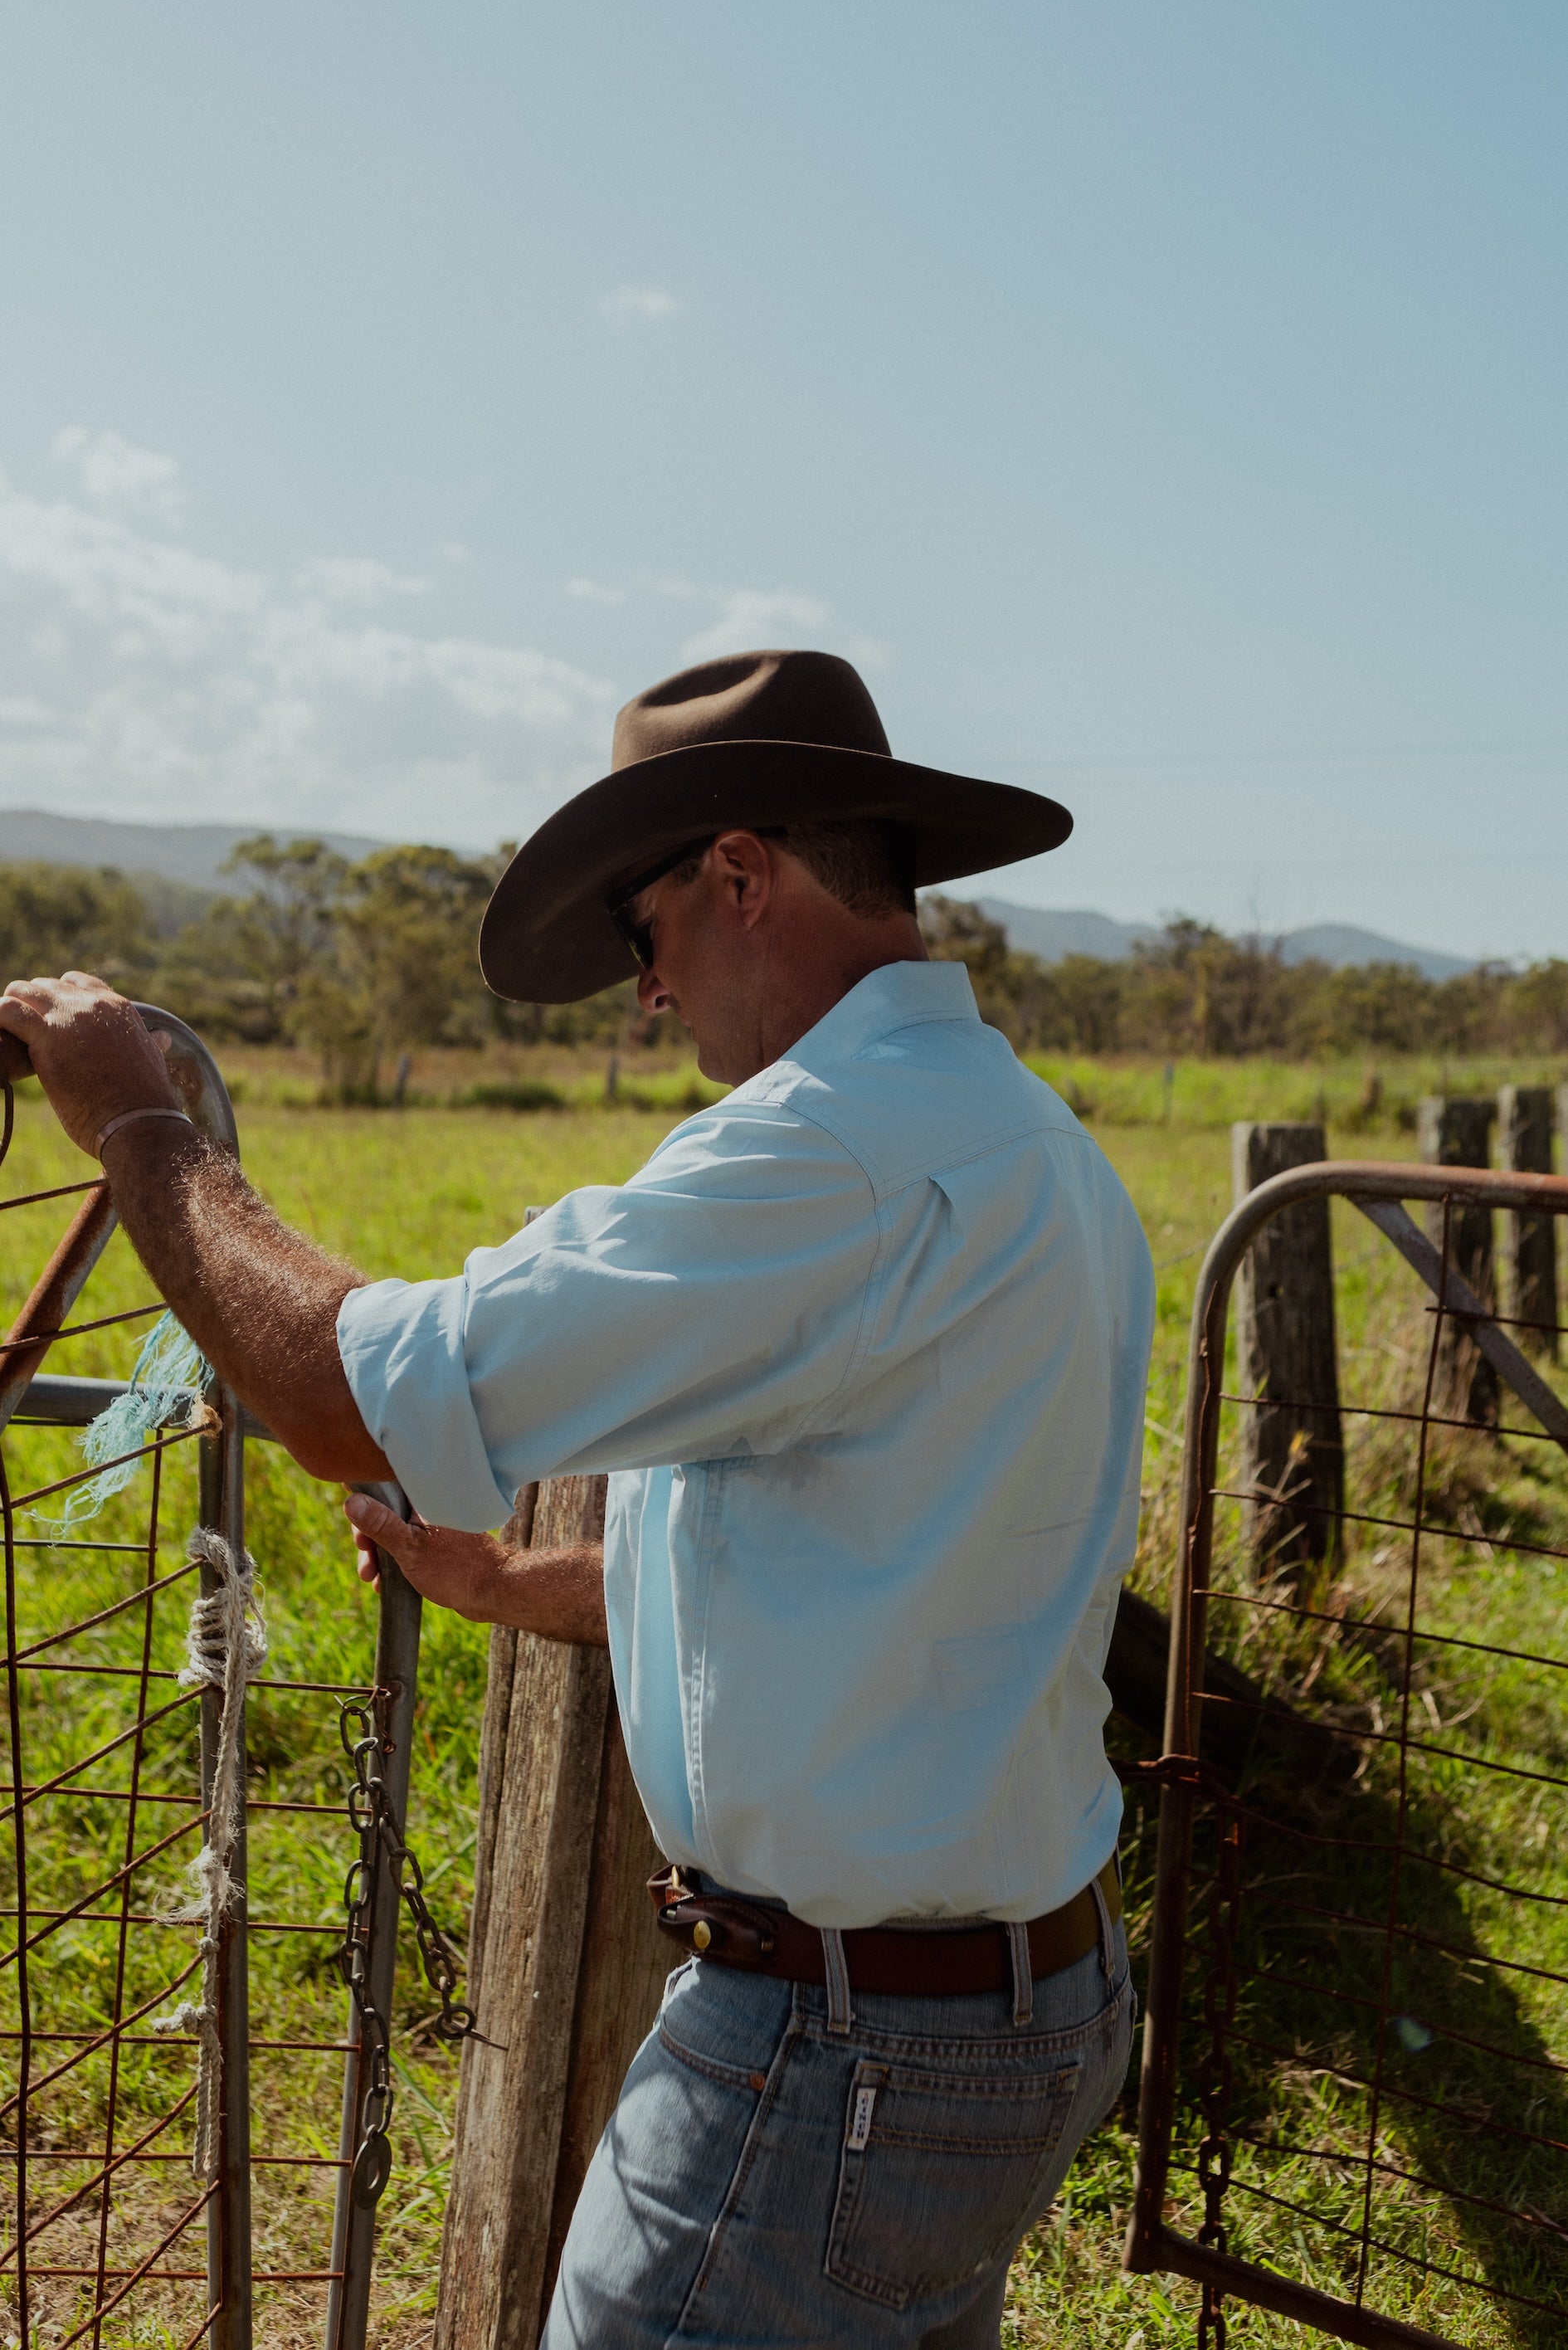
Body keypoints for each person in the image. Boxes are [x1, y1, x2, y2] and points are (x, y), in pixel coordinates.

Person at [1, 649, 1155, 2349]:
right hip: (1023, 2002)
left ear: (742, 874)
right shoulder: (1029, 1143)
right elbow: (882, 1564)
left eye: (645, 932)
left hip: (832, 2045)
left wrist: (147, 1131)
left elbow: (345, 1389)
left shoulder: (825, 1150)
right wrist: (506, 1579)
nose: (648, 996)